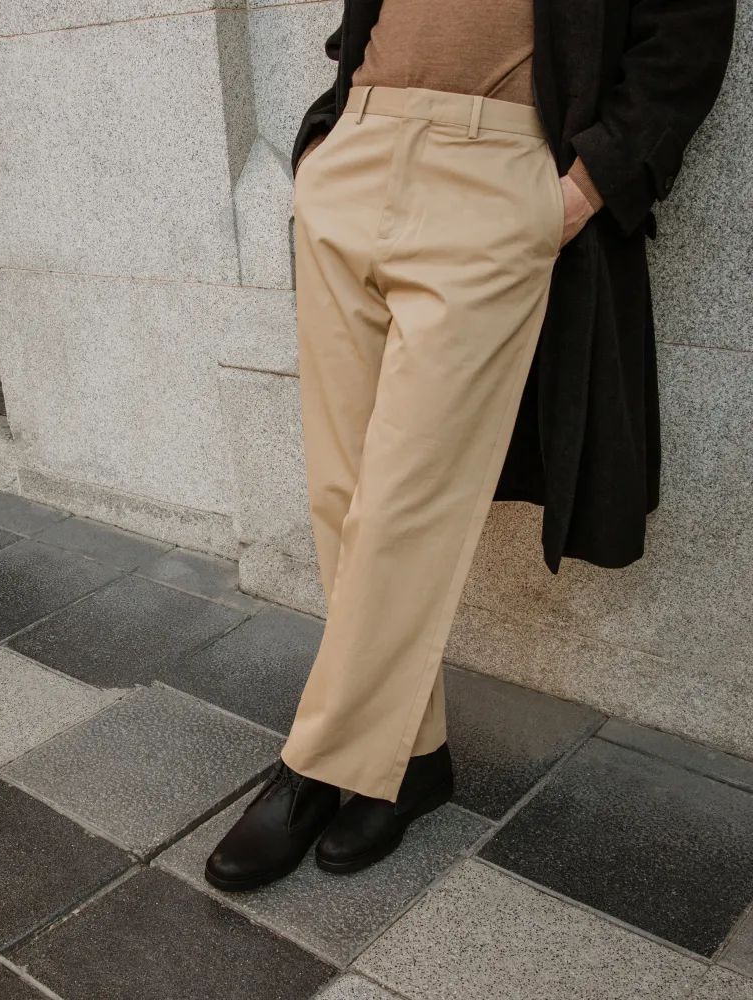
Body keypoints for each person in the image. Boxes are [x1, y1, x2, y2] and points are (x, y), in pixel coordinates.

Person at [205, 0, 736, 892]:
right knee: (344, 493)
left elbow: (687, 30)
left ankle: (315, 765)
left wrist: (581, 189)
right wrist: (323, 146)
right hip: (357, 154)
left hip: (496, 169)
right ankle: (411, 761)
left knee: (408, 503)